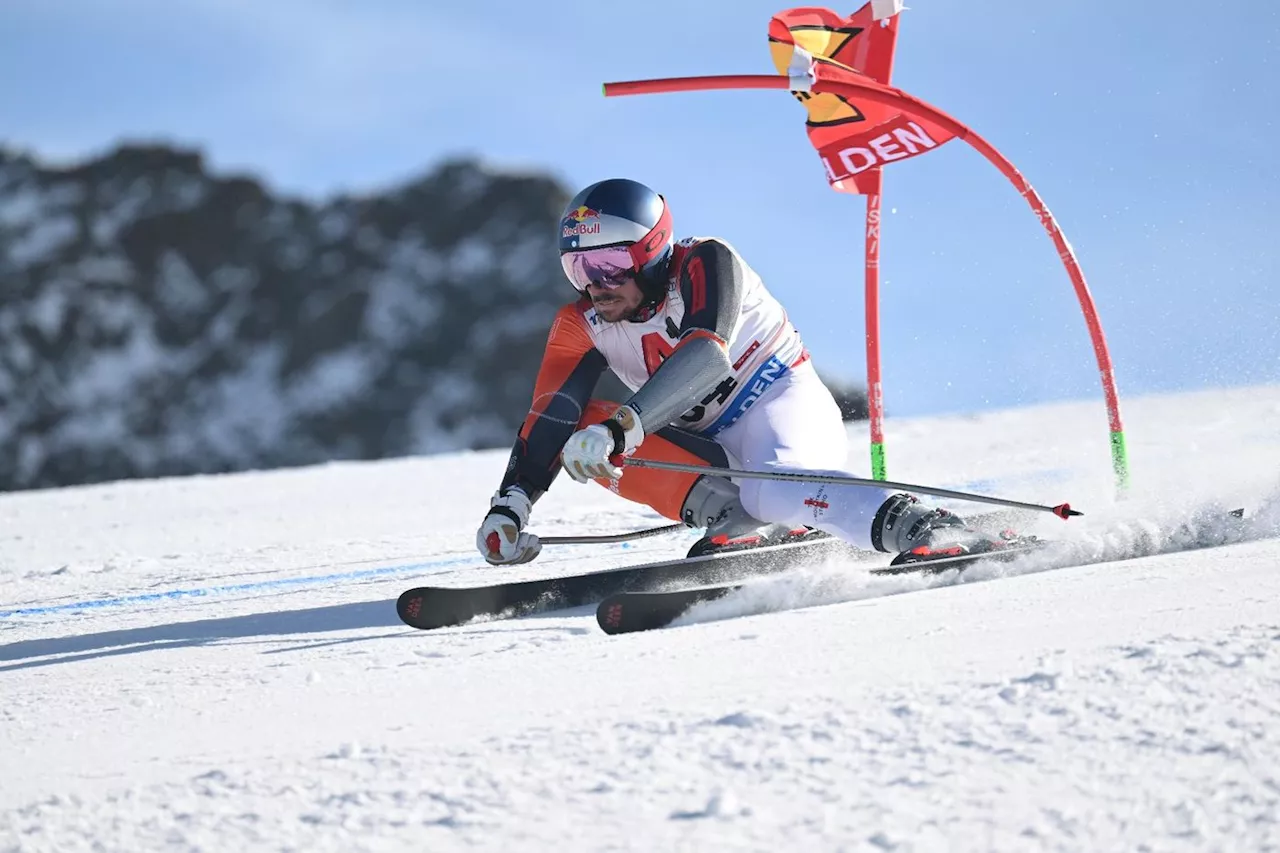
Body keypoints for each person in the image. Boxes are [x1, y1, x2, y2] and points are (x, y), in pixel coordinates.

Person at [475, 177, 1011, 567]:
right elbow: (551, 413)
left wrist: (617, 430)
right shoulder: (583, 322)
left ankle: (926, 527)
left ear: (652, 251)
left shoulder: (705, 262)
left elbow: (707, 356)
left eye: (609, 265)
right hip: (710, 446)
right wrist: (512, 505)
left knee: (772, 487)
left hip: (780, 401)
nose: (596, 283)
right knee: (582, 426)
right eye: (579, 268)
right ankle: (740, 521)